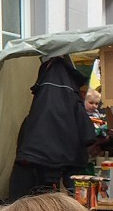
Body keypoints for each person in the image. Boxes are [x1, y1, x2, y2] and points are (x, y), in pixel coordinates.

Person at [9, 55, 96, 199]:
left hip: (33, 163)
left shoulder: (43, 92)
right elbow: (88, 134)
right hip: (63, 167)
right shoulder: (70, 90)